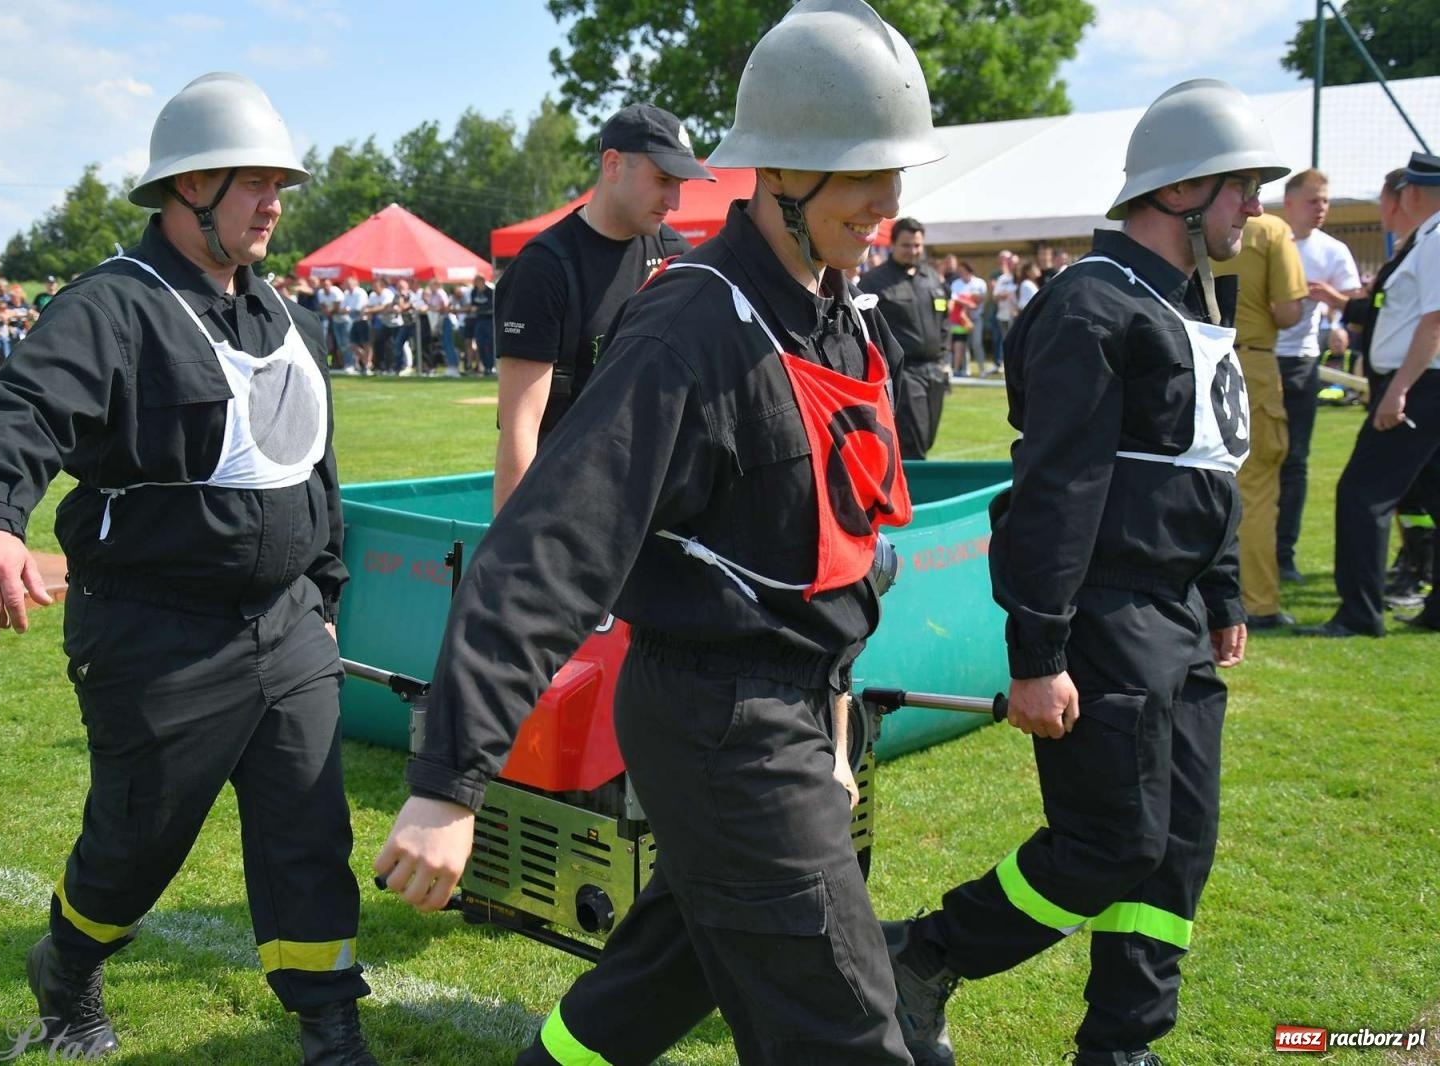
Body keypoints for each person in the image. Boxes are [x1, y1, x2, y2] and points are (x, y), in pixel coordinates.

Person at [374, 2, 941, 1062]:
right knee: (854, 1032)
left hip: (779, 714)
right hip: (722, 729)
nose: (889, 203)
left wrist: (832, 717)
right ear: (781, 174)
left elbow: (820, 556)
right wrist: (449, 784)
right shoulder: (690, 326)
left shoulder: (826, 308)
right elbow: (549, 547)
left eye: (892, 174)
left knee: (650, 985)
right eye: (865, 173)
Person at [0, 73, 381, 1065]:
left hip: (286, 628)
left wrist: (322, 604)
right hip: (155, 636)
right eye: (253, 183)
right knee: (134, 846)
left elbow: (317, 477)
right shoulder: (113, 307)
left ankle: (330, 1029)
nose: (274, 203)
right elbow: (19, 415)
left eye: (280, 183)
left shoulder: (283, 319)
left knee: (310, 833)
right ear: (188, 191)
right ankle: (66, 963)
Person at [886, 78, 1277, 1066]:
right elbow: (1055, 491)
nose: (1254, 210)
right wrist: (1037, 652)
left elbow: (1208, 468)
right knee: (1109, 845)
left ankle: (1120, 1045)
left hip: (1178, 615)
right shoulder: (1088, 308)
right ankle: (920, 957)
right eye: (1243, 188)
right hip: (1104, 617)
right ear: (1180, 192)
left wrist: (1222, 592)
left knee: (1175, 847)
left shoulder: (1180, 302)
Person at [491, 102, 713, 512]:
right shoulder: (544, 268)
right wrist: (507, 562)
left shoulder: (678, 256)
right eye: (663, 178)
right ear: (612, 164)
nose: (675, 201)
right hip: (566, 510)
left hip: (654, 512)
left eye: (680, 183)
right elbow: (521, 427)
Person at [1297, 151, 1440, 637]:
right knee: (1432, 494)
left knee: (1362, 494)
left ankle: (1359, 614)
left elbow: (1434, 323)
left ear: (1412, 194)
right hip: (1418, 382)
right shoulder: (1425, 240)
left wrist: (1398, 391)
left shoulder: (1436, 240)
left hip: (1419, 384)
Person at [1212, 210, 1306, 628]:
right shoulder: (1270, 230)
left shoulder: (1182, 219)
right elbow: (1289, 311)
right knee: (1256, 487)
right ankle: (1258, 600)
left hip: (1190, 357)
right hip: (1249, 363)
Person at [1272, 169, 1364, 582]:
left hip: (1301, 362)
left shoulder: (1333, 250)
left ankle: (1283, 554)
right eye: (1314, 201)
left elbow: (1355, 303)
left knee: (1295, 461)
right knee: (1247, 461)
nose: (1322, 208)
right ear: (1289, 203)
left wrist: (1334, 306)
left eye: (1325, 200)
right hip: (1256, 358)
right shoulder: (1266, 240)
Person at [859, 215, 952, 458]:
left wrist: (944, 357)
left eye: (917, 245)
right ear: (893, 245)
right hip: (904, 371)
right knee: (914, 441)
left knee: (928, 436)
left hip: (934, 370)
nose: (913, 251)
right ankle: (915, 493)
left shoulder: (931, 278)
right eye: (907, 245)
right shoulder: (874, 282)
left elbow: (943, 318)